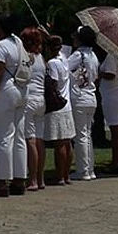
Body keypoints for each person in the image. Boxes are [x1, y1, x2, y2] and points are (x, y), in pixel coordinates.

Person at [0, 14, 31, 196]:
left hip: (5, 91)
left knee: (4, 138)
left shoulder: (0, 46)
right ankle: (19, 179)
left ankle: (2, 181)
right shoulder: (17, 42)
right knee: (19, 137)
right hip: (22, 89)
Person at [68, 26, 99, 180]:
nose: (73, 37)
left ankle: (83, 171)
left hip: (80, 97)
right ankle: (89, 169)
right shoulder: (93, 56)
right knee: (87, 135)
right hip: (91, 97)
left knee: (80, 136)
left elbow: (64, 67)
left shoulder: (78, 55)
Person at [44, 35, 76, 184]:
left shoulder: (52, 64)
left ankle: (60, 176)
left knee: (59, 144)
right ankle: (66, 175)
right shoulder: (64, 59)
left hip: (57, 106)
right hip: (67, 105)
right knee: (67, 142)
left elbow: (53, 84)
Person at [21, 27, 47, 191]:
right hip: (41, 99)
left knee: (30, 140)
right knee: (39, 140)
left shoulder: (27, 57)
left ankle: (32, 179)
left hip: (29, 99)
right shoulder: (41, 58)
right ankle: (40, 177)